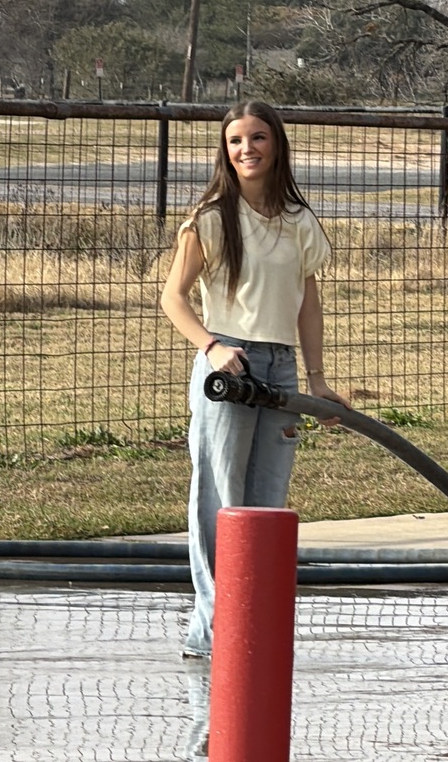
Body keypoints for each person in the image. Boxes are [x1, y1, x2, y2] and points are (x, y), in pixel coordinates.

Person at [160, 100, 349, 659]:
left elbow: (308, 303)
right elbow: (172, 298)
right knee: (219, 498)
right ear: (225, 149)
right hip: (228, 368)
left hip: (280, 368)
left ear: (277, 145)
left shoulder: (298, 220)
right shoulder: (210, 219)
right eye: (237, 140)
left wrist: (316, 379)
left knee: (267, 501)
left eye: (258, 138)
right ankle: (216, 634)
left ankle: (257, 625)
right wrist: (213, 347)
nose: (248, 149)